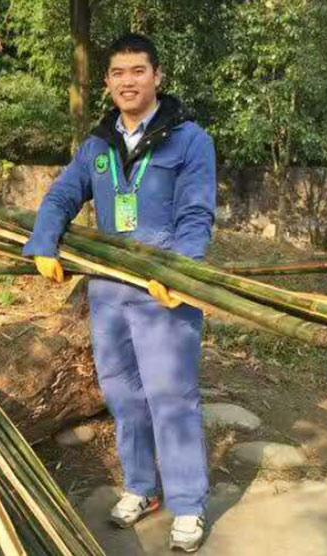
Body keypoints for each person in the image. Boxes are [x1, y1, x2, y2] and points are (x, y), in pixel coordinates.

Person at [22, 33, 216, 553]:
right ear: (107, 84)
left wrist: (181, 273)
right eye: (118, 74)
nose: (128, 81)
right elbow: (64, 192)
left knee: (171, 396)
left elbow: (196, 213)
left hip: (162, 288)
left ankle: (189, 504)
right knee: (123, 394)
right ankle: (142, 488)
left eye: (138, 71)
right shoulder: (97, 145)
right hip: (108, 289)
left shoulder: (189, 139)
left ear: (157, 77)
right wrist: (45, 240)